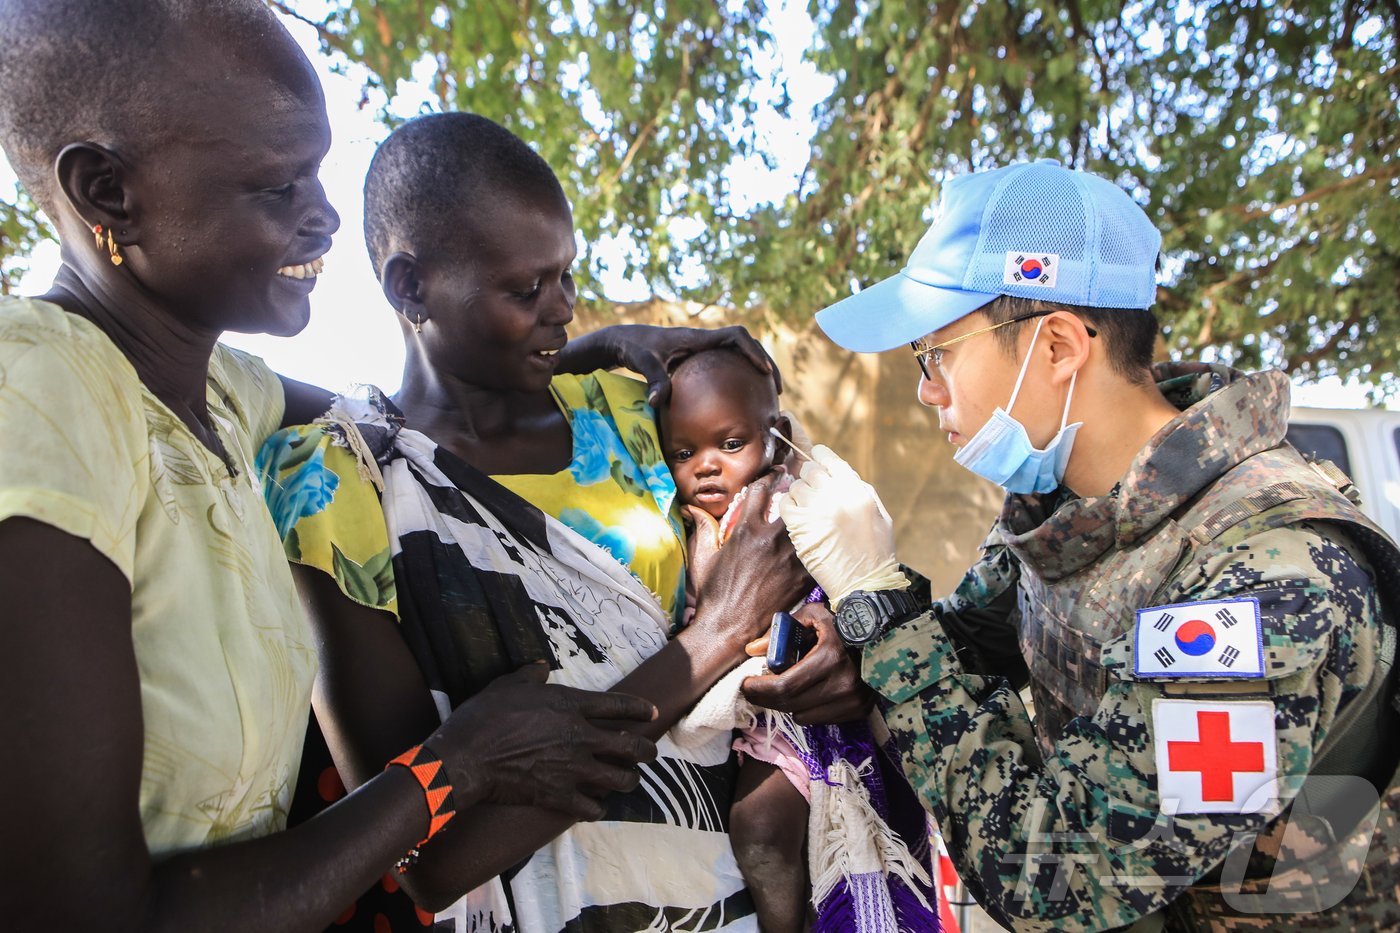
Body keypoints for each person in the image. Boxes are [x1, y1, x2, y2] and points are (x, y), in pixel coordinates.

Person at [0, 3, 672, 930]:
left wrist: (602, 351)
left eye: (317, 170)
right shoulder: (37, 398)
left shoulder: (222, 394)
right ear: (108, 191)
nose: (322, 218)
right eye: (277, 187)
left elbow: (413, 416)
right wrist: (451, 768)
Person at [258, 112, 864, 932]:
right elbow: (426, 857)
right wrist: (714, 632)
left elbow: (780, 560)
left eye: (567, 276)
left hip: (725, 899)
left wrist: (822, 644)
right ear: (410, 287)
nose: (565, 310)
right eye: (526, 289)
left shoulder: (629, 420)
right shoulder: (336, 488)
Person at [776, 159, 1400, 930]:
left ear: (1059, 347)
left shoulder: (1262, 582)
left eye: (937, 353)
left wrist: (877, 598)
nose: (927, 389)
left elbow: (1061, 873)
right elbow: (966, 645)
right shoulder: (1070, 506)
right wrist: (847, 622)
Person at [659, 348, 939, 932]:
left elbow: (829, 586)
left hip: (806, 706)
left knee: (761, 827)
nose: (707, 466)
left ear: (777, 436)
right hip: (739, 705)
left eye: (730, 445)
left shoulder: (791, 506)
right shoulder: (677, 520)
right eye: (684, 453)